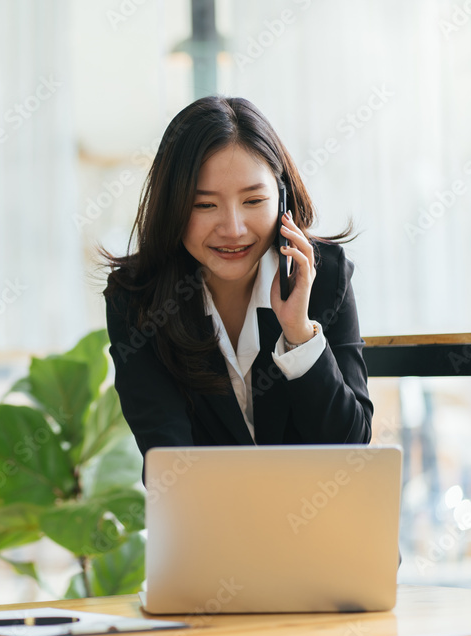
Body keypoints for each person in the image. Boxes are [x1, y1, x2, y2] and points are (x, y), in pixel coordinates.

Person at [104, 96, 373, 461]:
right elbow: (170, 465)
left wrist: (298, 334)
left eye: (253, 201)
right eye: (204, 205)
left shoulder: (323, 277)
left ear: (281, 199)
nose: (233, 229)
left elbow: (351, 448)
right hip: (208, 518)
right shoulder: (137, 300)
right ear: (173, 206)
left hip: (318, 514)